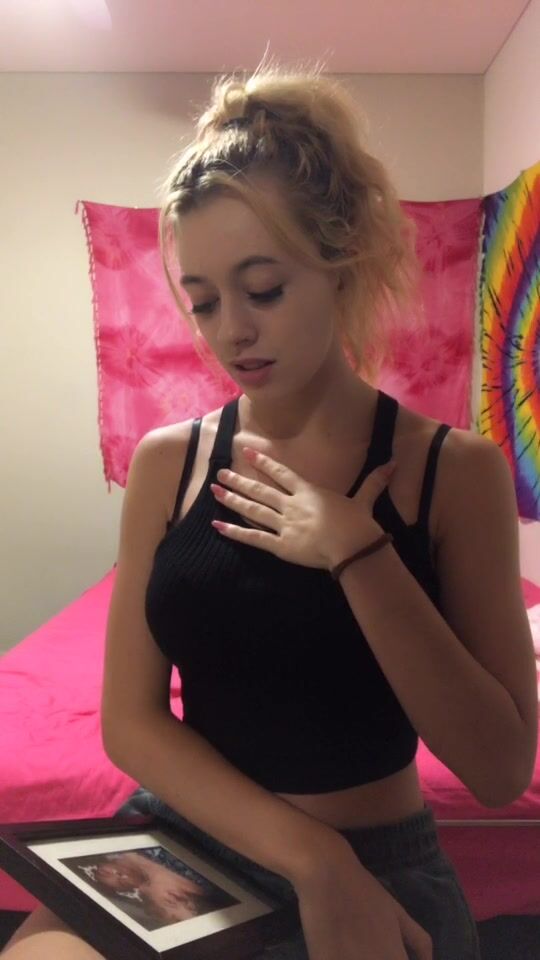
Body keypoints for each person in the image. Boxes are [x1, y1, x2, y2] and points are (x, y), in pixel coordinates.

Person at [4, 53, 537, 960]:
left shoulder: (455, 470)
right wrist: (313, 861)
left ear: (342, 265)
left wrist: (361, 556)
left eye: (263, 290)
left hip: (382, 862)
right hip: (189, 842)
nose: (232, 332)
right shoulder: (170, 463)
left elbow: (498, 770)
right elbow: (131, 722)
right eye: (204, 302)